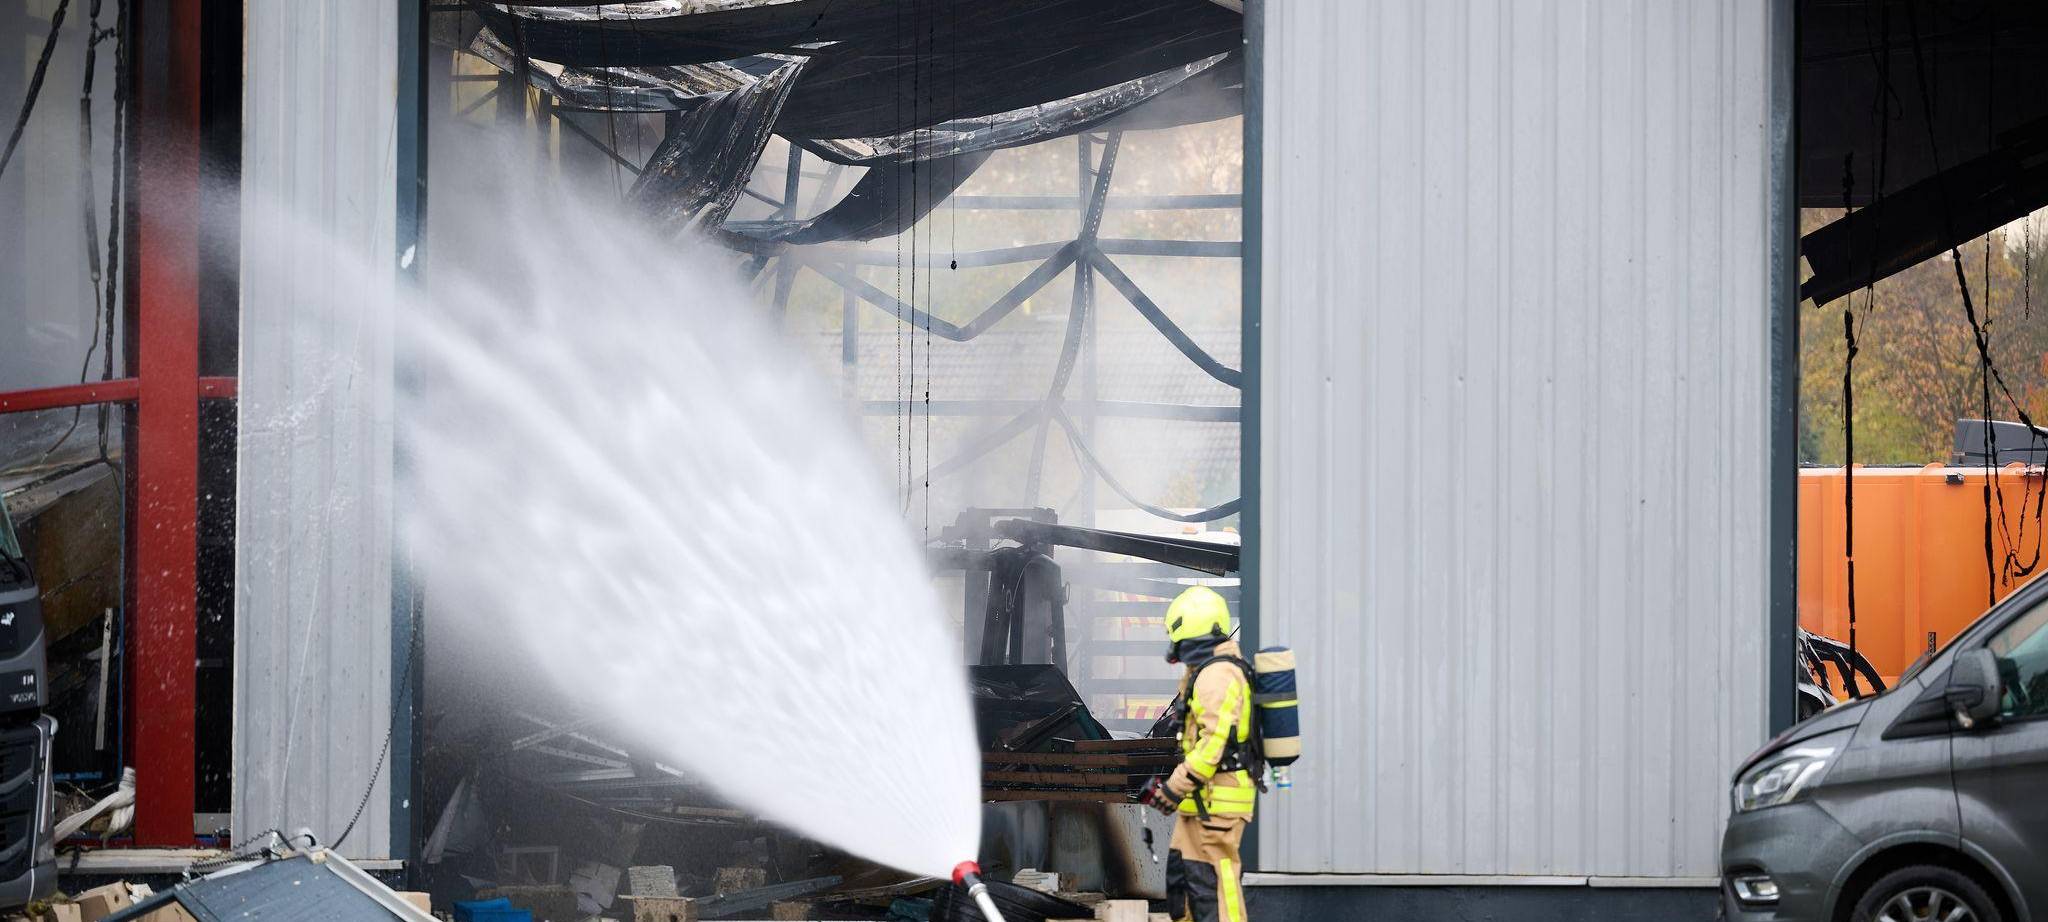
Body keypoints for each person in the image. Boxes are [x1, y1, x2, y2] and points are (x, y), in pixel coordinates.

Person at [1161, 584, 1254, 922]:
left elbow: (1213, 745)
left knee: (1214, 886)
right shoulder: (1205, 672)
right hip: (1201, 800)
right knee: (1183, 881)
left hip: (1219, 801)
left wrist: (1174, 786)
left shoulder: (1218, 674)